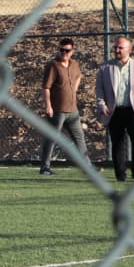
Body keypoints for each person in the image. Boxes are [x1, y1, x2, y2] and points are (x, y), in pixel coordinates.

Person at [95, 36, 134, 183]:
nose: (117, 50)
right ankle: (120, 174)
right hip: (115, 111)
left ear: (129, 50)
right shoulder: (105, 67)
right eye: (115, 47)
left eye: (120, 48)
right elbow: (99, 89)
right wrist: (101, 104)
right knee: (117, 144)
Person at [38, 37, 89, 176]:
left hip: (72, 110)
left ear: (72, 51)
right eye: (61, 50)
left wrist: (73, 90)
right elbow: (46, 87)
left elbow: (79, 76)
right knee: (52, 138)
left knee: (79, 138)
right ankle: (45, 167)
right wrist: (48, 106)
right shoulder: (53, 65)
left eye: (67, 50)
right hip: (58, 110)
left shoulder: (74, 64)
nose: (64, 53)